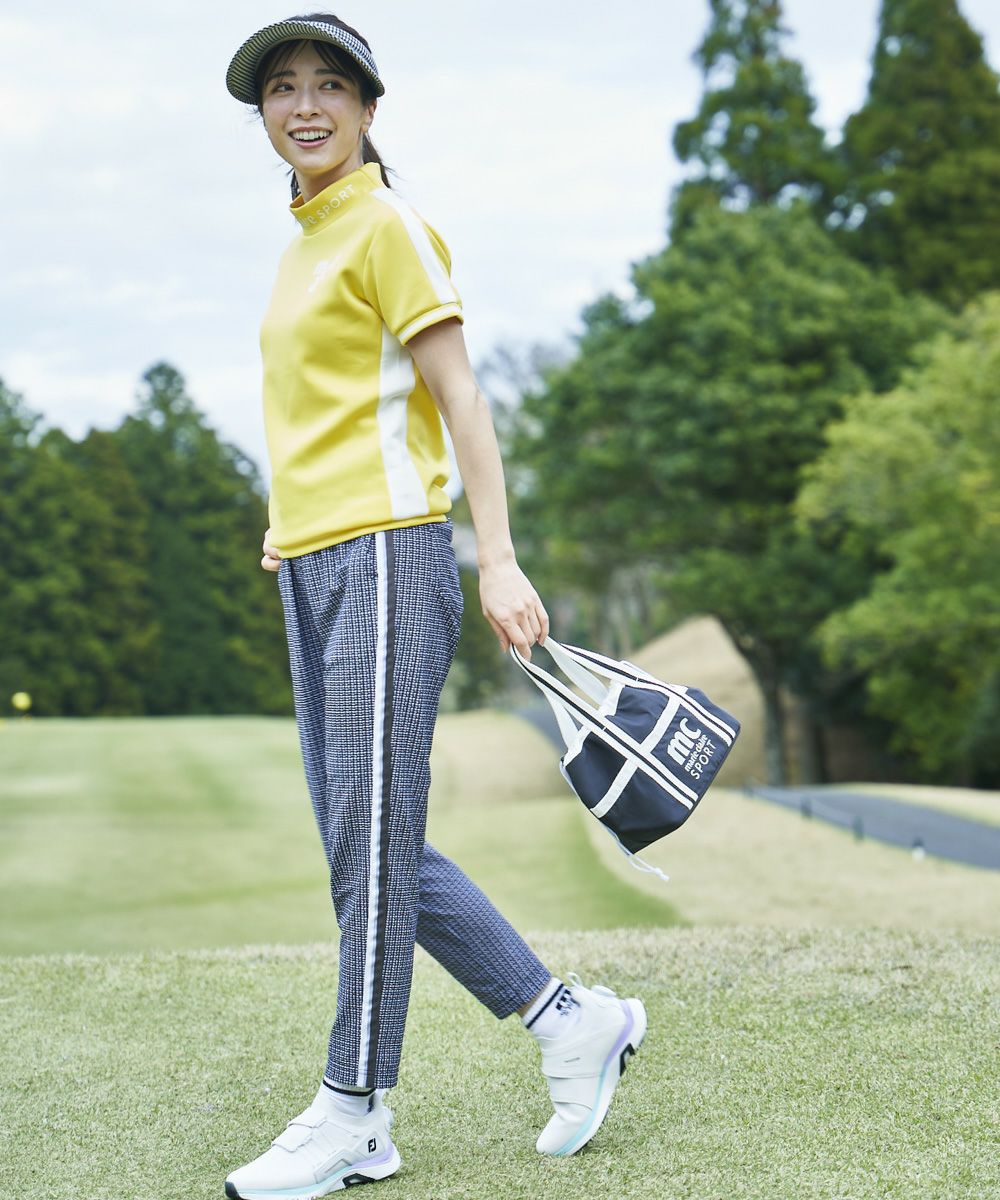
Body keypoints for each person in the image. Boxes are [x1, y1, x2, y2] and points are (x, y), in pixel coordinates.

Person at [223, 14, 646, 1197]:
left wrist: (495, 559)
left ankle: (355, 1110)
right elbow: (320, 408)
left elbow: (461, 399)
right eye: (282, 88)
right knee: (365, 846)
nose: (304, 106)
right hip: (316, 562)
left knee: (368, 845)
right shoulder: (302, 243)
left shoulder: (389, 225)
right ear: (264, 115)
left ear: (368, 107)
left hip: (391, 556)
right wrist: (288, 521)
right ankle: (569, 1022)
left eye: (329, 85)